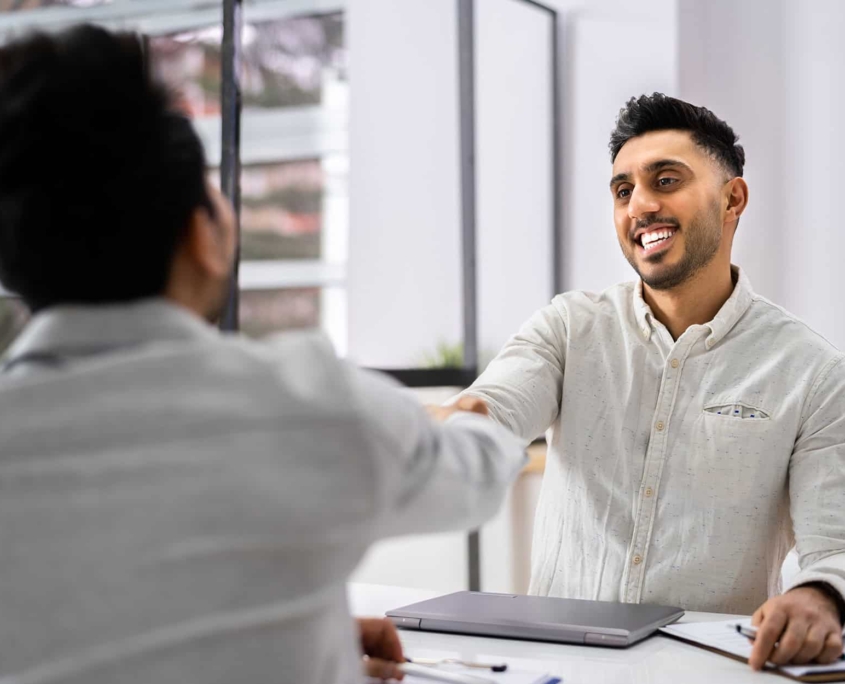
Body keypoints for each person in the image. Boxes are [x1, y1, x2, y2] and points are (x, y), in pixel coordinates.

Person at [0, 25, 525, 684]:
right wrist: (476, 413)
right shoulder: (311, 405)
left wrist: (298, 639)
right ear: (202, 234)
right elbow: (477, 474)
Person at [457, 93, 845, 670]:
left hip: (711, 672)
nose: (640, 205)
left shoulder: (812, 371)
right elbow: (490, 413)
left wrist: (817, 598)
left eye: (666, 180)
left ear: (732, 199)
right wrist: (439, 431)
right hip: (560, 668)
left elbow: (834, 547)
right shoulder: (569, 327)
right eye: (623, 190)